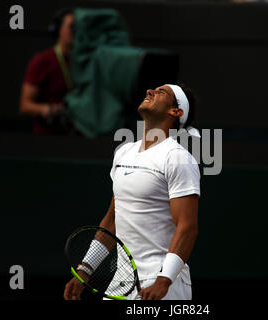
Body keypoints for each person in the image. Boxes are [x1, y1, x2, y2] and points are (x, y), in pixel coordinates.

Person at [63, 83, 201, 300]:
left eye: (161, 92)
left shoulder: (177, 158)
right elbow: (111, 221)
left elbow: (188, 227)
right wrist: (85, 271)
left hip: (163, 284)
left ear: (175, 111)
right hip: (121, 281)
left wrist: (163, 281)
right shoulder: (124, 153)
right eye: (152, 89)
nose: (150, 91)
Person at [19, 8, 74, 135]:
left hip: (78, 137)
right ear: (58, 29)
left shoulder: (85, 62)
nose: (75, 31)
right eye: (71, 27)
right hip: (48, 137)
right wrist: (48, 109)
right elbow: (25, 105)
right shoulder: (42, 61)